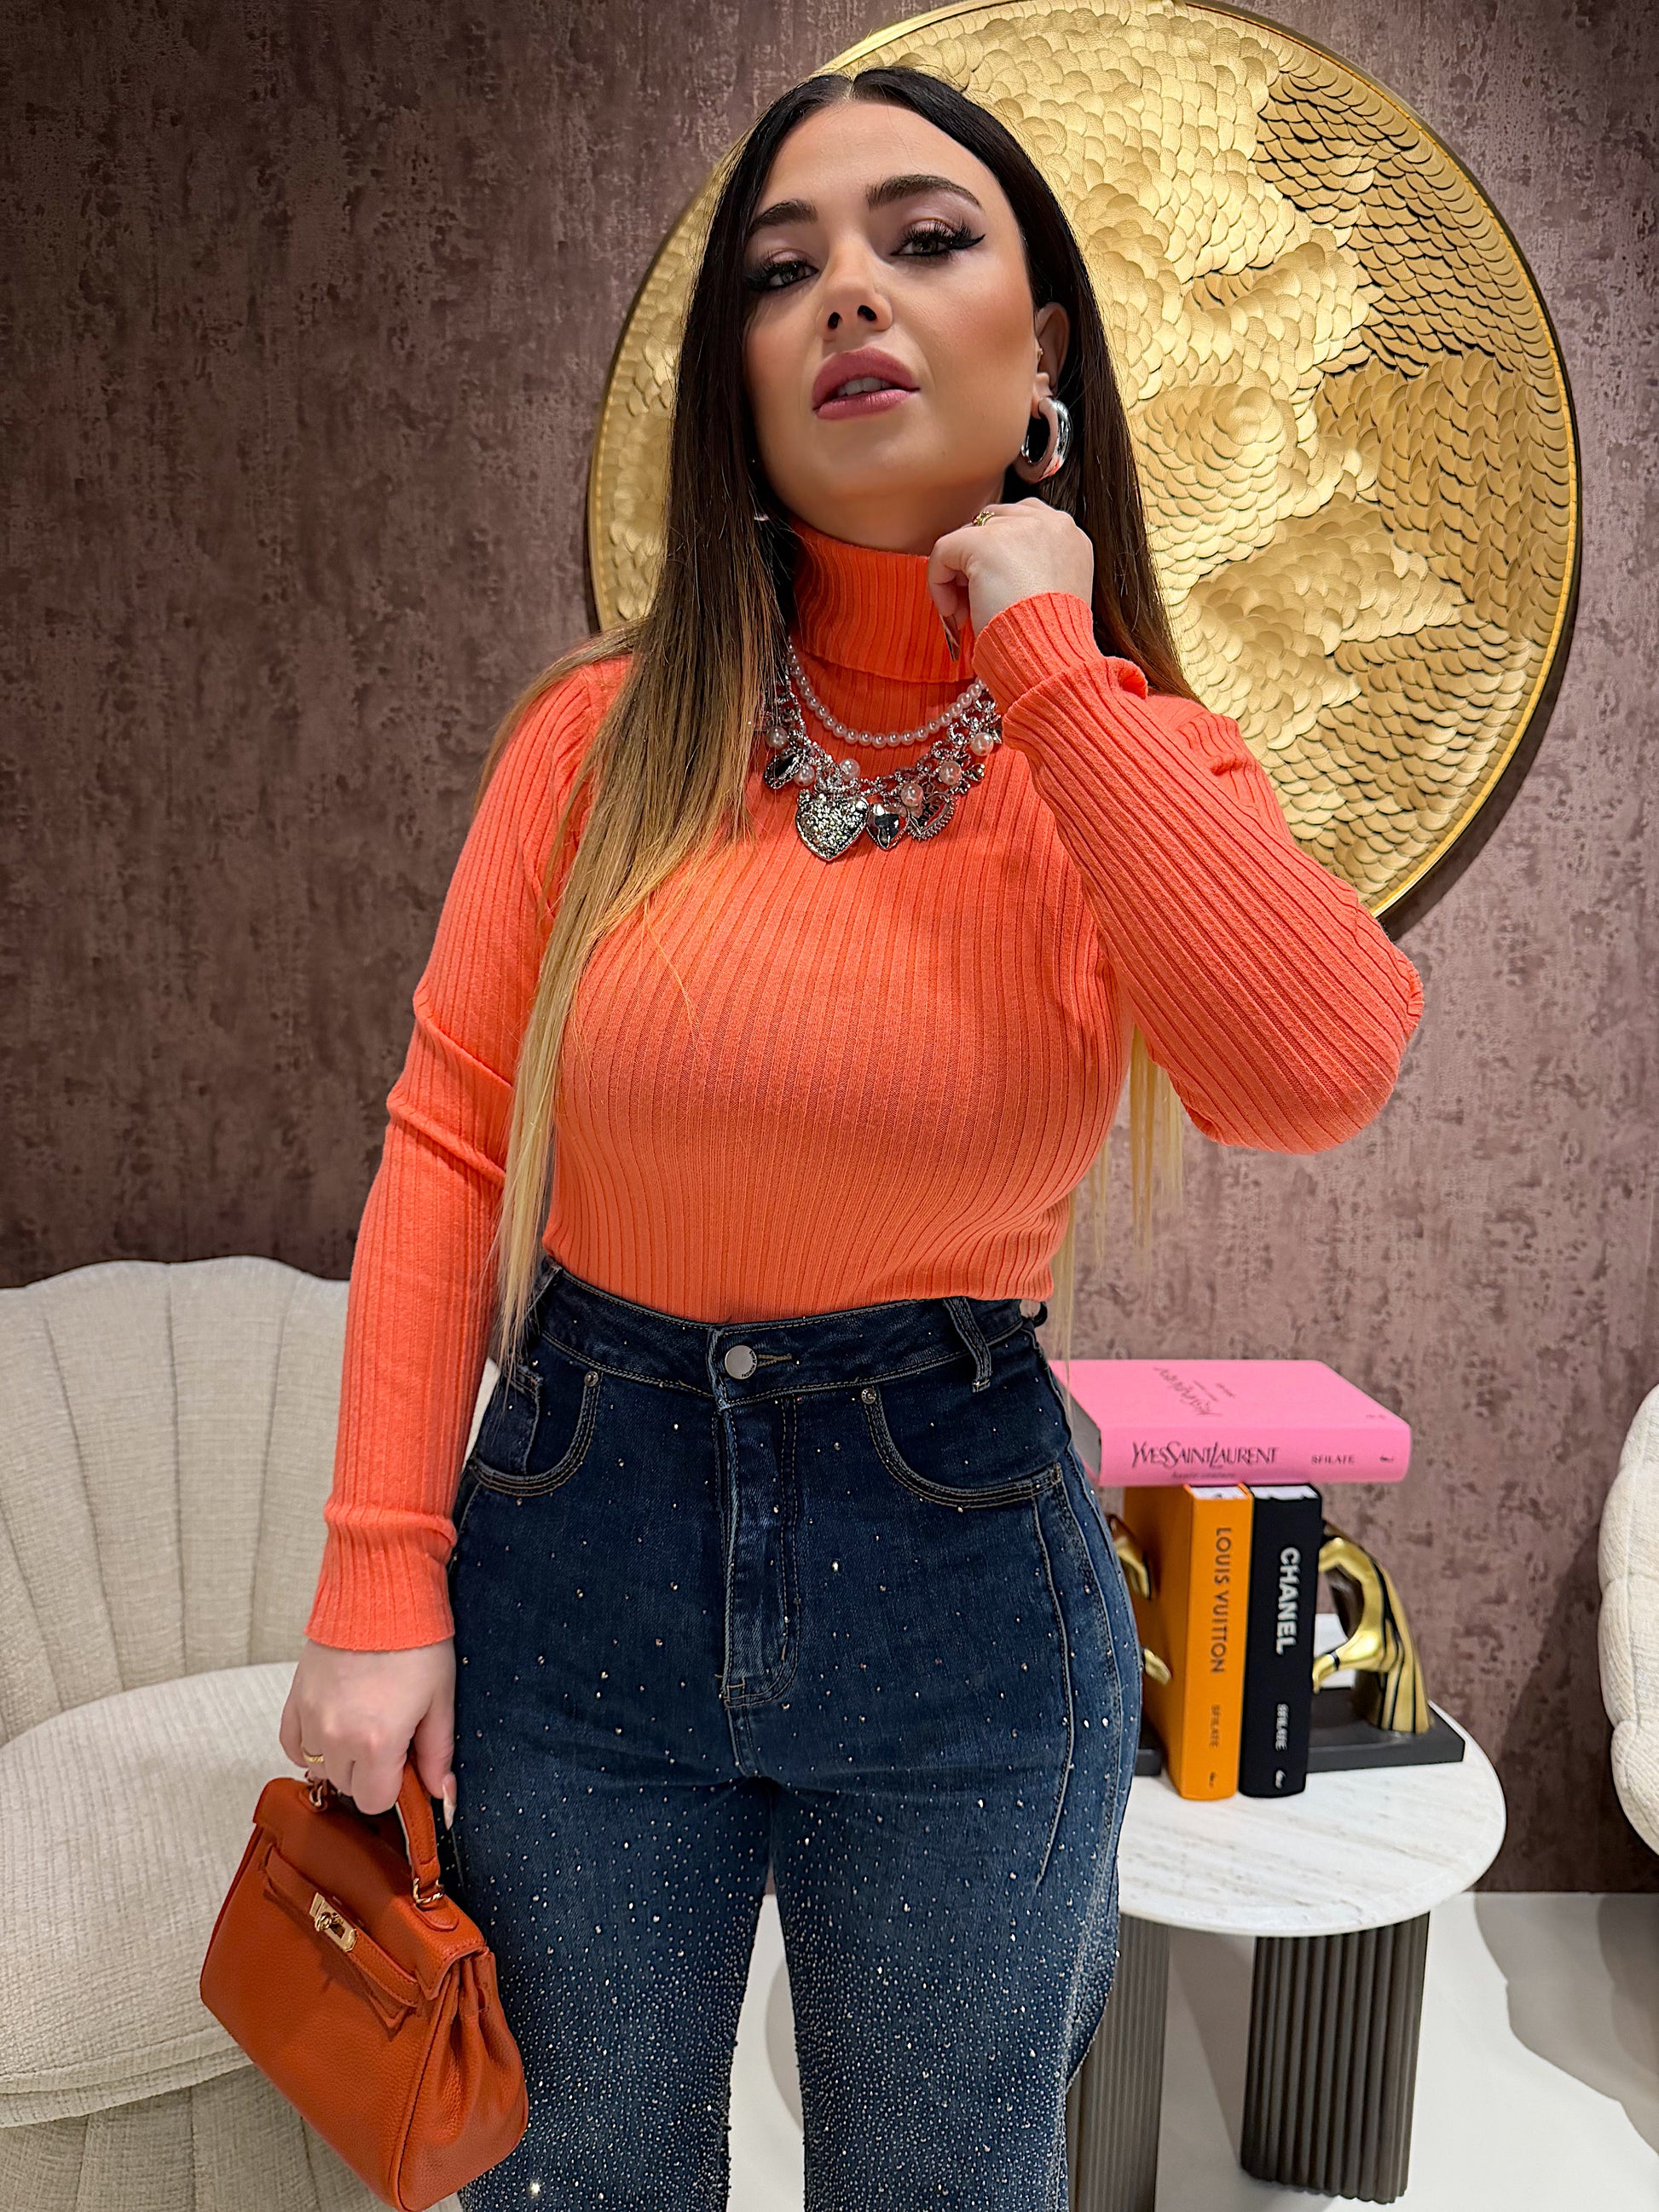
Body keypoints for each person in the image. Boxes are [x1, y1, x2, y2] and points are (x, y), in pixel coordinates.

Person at [281, 61, 1424, 2212]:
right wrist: (373, 1576)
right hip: (581, 1534)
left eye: (922, 238)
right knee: (576, 2176)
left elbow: (1316, 1069)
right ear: (737, 378)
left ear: (1041, 346)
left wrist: (1047, 653)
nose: (848, 296)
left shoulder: (1129, 764)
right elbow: (448, 1149)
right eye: (781, 267)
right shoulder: (598, 741)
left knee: (942, 2183)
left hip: (957, 1565)